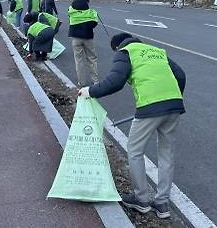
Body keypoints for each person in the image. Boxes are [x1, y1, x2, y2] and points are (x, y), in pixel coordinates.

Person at [78, 32, 186, 219]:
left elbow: (115, 82)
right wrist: (173, 98)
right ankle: (162, 204)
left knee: (135, 150)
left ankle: (141, 199)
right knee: (166, 153)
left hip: (149, 107)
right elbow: (180, 75)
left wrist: (90, 91)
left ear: (117, 47)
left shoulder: (125, 52)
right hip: (174, 105)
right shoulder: (157, 51)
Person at [68, 0, 99, 86]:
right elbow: (94, 24)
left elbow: (70, 20)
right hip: (88, 37)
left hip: (75, 38)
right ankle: (95, 81)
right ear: (87, 1)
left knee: (79, 60)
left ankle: (81, 82)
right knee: (92, 59)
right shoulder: (89, 12)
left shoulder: (71, 10)